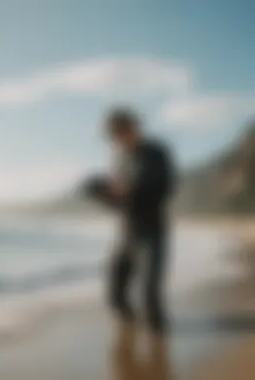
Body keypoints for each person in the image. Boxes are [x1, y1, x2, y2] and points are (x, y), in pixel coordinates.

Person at [84, 107, 175, 333]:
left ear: (134, 127)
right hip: (126, 234)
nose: (117, 140)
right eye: (113, 137)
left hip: (152, 233)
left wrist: (124, 191)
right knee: (115, 295)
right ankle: (129, 331)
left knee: (149, 296)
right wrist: (101, 195)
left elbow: (161, 189)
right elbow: (119, 203)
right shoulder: (119, 158)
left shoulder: (156, 153)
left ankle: (160, 349)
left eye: (120, 133)